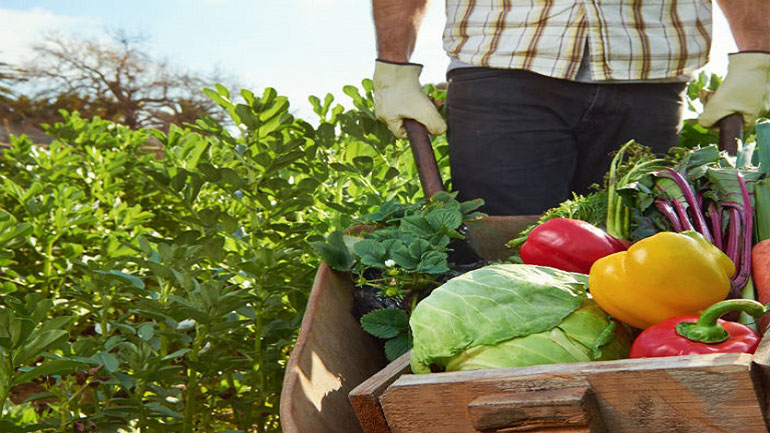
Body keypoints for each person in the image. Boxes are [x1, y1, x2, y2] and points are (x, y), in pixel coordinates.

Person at [371, 0, 770, 215]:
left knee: (638, 250)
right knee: (505, 259)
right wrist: (394, 64)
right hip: (503, 70)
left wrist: (756, 54)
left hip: (648, 73)